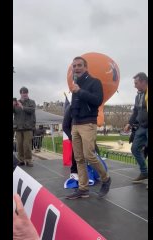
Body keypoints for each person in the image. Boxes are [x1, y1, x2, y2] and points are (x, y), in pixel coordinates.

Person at [65, 56, 111, 199]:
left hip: (88, 123)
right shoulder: (75, 83)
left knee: (89, 155)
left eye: (79, 65)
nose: (76, 68)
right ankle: (83, 189)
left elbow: (97, 101)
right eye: (74, 66)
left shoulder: (94, 82)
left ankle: (106, 179)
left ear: (86, 67)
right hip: (76, 124)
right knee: (78, 158)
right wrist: (72, 118)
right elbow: (75, 104)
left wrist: (80, 91)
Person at [124, 72, 148, 183]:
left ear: (143, 82)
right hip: (141, 127)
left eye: (136, 83)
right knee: (134, 149)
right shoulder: (138, 95)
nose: (134, 85)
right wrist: (129, 123)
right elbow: (135, 112)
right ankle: (144, 172)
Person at [13, 87, 36, 167]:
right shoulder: (16, 102)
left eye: (26, 92)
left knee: (27, 145)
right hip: (18, 128)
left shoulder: (31, 102)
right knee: (19, 145)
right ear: (20, 94)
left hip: (28, 127)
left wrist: (22, 107)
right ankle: (21, 160)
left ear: (27, 93)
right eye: (23, 93)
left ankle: (28, 160)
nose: (24, 94)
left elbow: (32, 110)